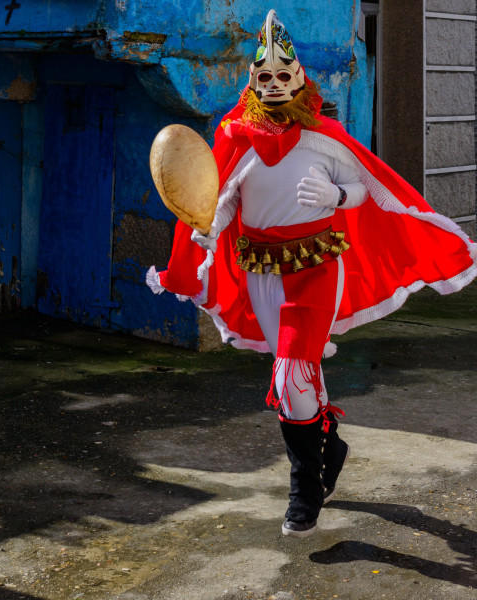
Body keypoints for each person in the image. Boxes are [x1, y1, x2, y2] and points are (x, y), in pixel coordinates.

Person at [147, 9, 477, 538]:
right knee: (296, 374)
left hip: (317, 266)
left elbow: (369, 186)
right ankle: (328, 439)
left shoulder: (324, 135)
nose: (274, 85)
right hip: (260, 270)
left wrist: (336, 196)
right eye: (265, 77)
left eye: (284, 76)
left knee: (292, 375)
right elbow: (221, 200)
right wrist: (209, 228)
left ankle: (304, 489)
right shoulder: (234, 135)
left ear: (299, 78)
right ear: (252, 81)